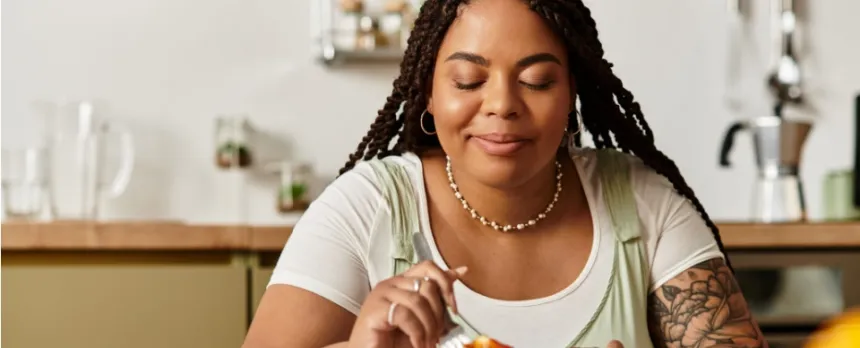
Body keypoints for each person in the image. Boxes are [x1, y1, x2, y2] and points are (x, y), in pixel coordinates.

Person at [244, 0, 767, 347]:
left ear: (571, 98)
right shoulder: (367, 208)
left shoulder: (640, 200)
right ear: (429, 92)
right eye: (469, 80)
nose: (502, 105)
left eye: (537, 81)